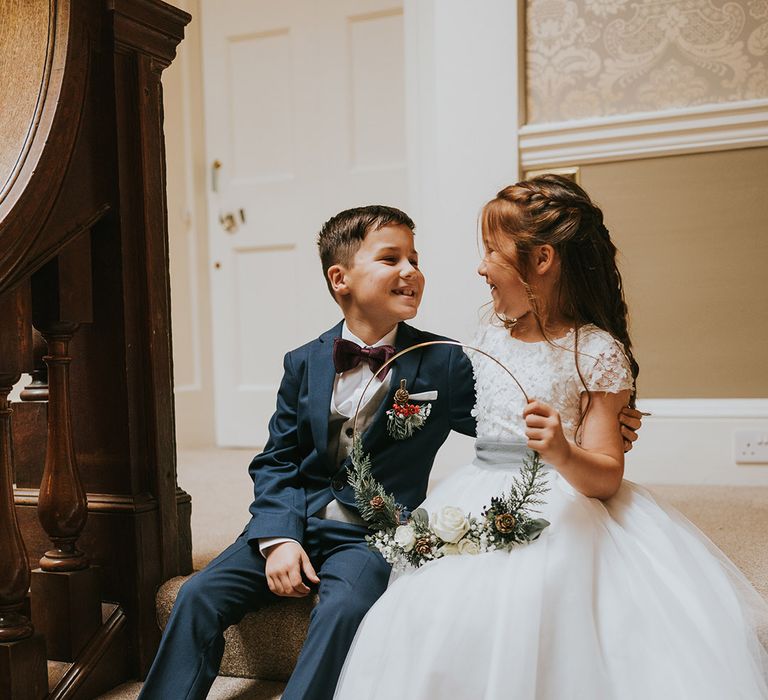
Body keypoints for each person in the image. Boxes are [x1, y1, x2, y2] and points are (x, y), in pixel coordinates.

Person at [139, 204, 642, 699]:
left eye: (415, 260)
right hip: (291, 519)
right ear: (341, 279)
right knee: (196, 596)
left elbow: (500, 417)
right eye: (391, 259)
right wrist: (277, 538)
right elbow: (277, 459)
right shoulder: (303, 363)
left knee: (344, 610)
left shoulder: (443, 362)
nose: (411, 272)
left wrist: (596, 423)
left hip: (371, 534)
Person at [334, 176, 768, 700]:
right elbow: (471, 408)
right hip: (477, 492)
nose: (479, 266)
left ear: (541, 260)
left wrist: (567, 449)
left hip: (559, 500)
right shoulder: (486, 337)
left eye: (491, 251)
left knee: (542, 590)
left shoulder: (594, 350)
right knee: (433, 597)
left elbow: (605, 476)